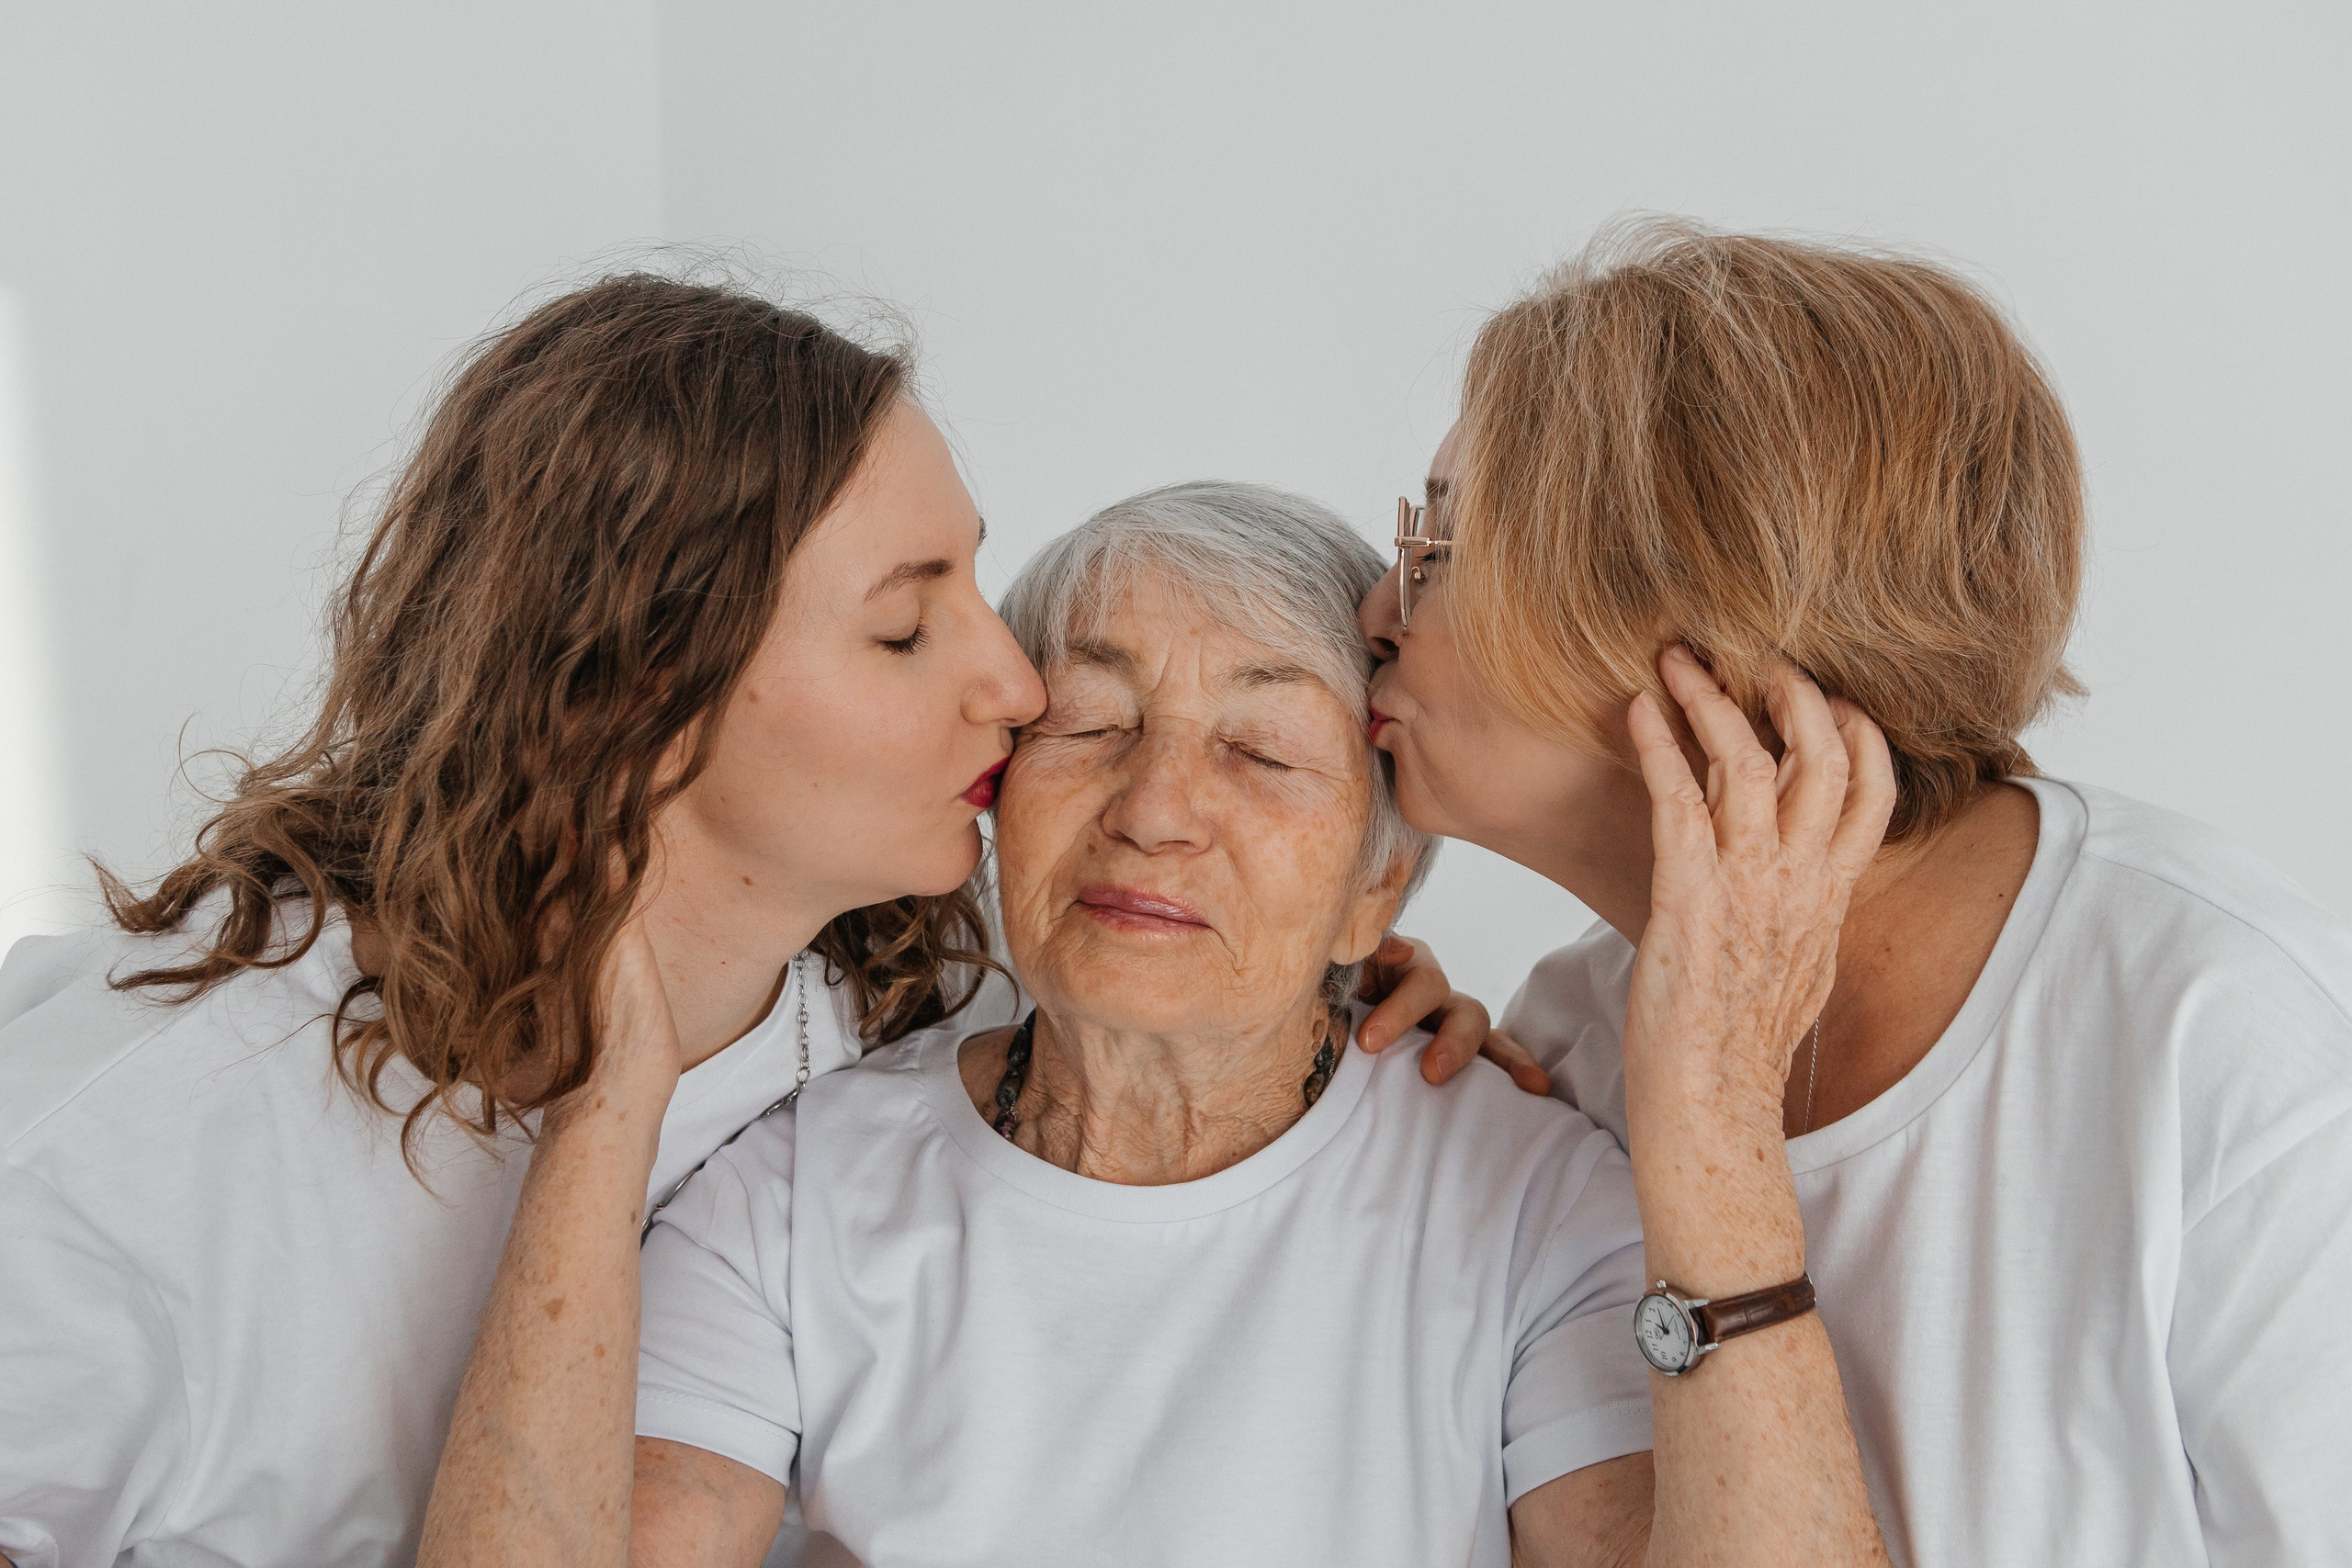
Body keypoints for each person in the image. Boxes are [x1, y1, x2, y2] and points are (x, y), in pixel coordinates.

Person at [0, 279, 1492, 1568]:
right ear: (638, 686)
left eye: (977, 579)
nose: (1020, 686)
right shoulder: (136, 1152)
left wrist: (1332, 983)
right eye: (908, 627)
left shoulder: (880, 1013)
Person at [419, 479, 1890, 1568]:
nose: (1157, 811)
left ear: (1378, 880)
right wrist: (614, 1090)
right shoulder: (799, 1190)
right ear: (996, 796)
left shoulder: (1536, 1207)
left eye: (1260, 750)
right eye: (1092, 726)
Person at [1359, 220, 2352, 1566]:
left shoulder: (2230, 1036)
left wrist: (1709, 1119)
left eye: (1440, 546)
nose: (1375, 607)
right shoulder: (1574, 1046)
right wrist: (1338, 1090)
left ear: (1692, 613)